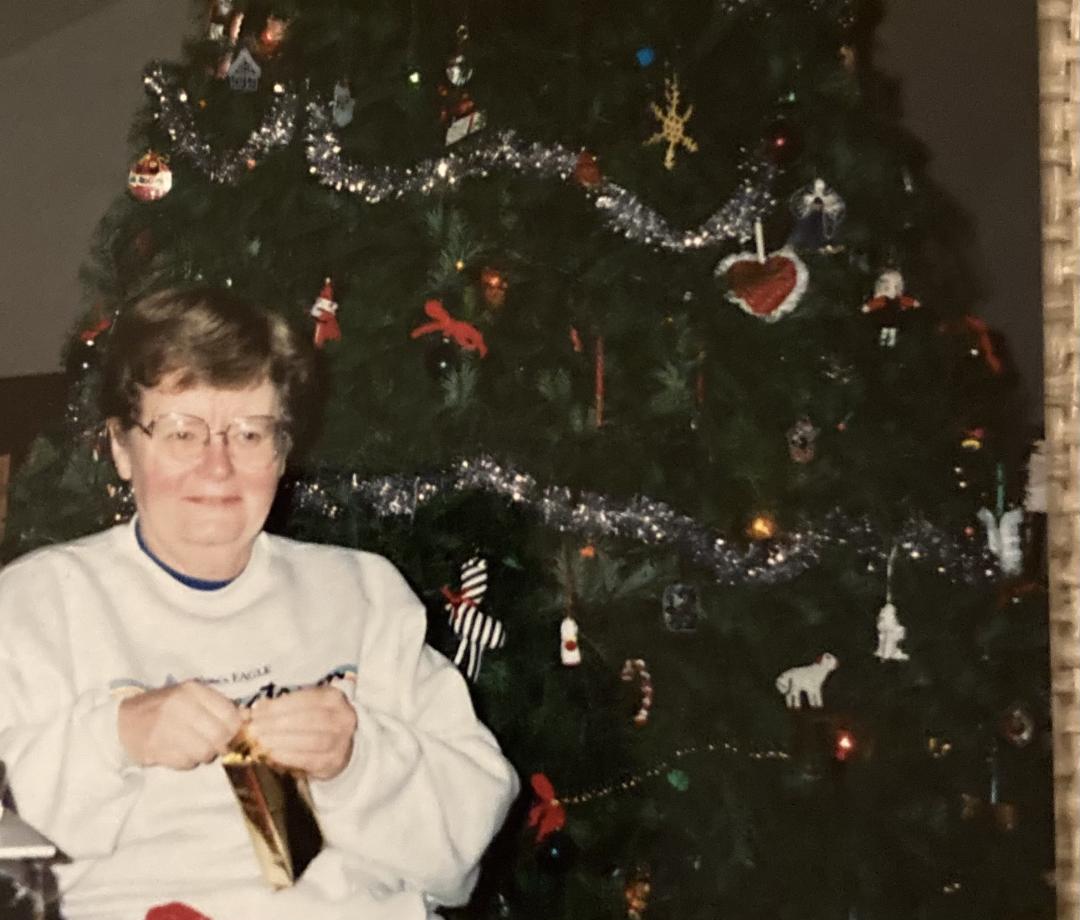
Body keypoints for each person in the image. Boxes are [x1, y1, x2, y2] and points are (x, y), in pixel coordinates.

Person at [0, 287, 519, 920]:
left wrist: (357, 759)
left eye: (250, 433)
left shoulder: (365, 595)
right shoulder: (36, 604)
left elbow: (463, 850)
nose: (217, 468)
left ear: (283, 449)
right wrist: (115, 738)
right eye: (181, 431)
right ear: (120, 446)